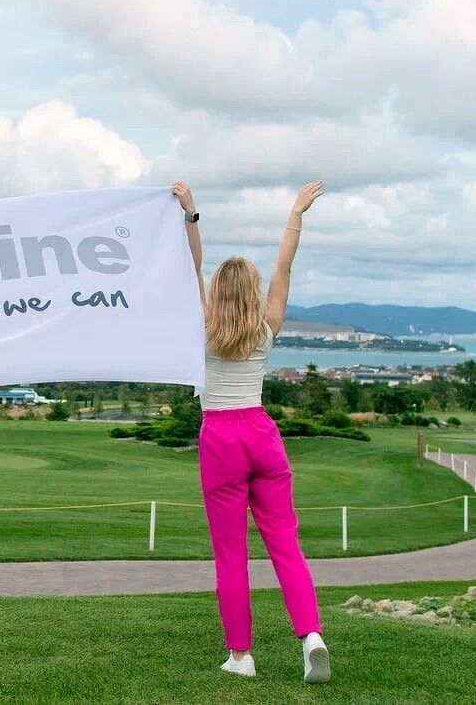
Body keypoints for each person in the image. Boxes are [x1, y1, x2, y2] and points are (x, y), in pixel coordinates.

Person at [172, 179, 330, 684]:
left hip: (220, 437)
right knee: (285, 543)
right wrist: (295, 214)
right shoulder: (266, 327)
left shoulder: (203, 327)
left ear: (218, 293)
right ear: (253, 292)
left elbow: (191, 266)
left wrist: (191, 213)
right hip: (262, 433)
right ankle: (311, 635)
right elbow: (285, 266)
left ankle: (241, 656)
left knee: (230, 554)